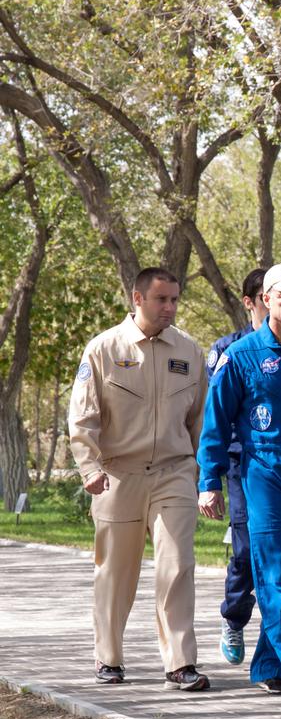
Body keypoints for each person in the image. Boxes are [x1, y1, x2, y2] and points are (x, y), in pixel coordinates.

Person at [68, 266, 210, 691]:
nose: (169, 308)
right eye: (161, 299)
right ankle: (108, 658)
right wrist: (89, 468)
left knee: (177, 565)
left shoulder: (189, 351)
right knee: (115, 571)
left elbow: (200, 421)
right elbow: (83, 417)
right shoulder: (103, 349)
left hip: (174, 473)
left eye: (174, 300)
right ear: (137, 298)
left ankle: (180, 663)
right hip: (117, 475)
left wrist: (202, 475)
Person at [196, 264, 281, 705]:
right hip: (265, 473)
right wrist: (209, 480)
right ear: (265, 301)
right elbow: (215, 424)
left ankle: (268, 665)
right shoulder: (242, 356)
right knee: (278, 577)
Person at [206, 268, 269, 666]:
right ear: (250, 302)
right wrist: (208, 478)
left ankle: (278, 642)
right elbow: (214, 417)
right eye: (266, 295)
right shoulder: (229, 350)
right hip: (242, 464)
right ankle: (234, 617)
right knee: (246, 550)